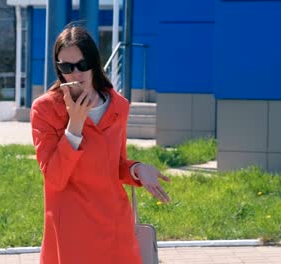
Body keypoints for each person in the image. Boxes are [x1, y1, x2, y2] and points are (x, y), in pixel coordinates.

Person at [30, 24, 170, 264]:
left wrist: (136, 169)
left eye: (82, 65)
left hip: (115, 225)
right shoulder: (45, 109)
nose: (74, 74)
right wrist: (74, 125)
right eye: (66, 67)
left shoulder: (118, 106)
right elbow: (54, 177)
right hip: (72, 231)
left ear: (94, 63)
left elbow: (115, 165)